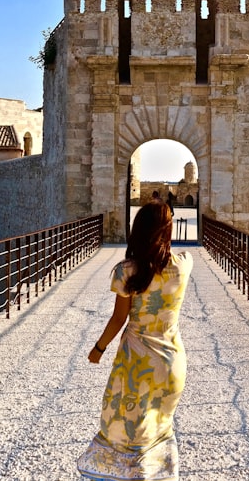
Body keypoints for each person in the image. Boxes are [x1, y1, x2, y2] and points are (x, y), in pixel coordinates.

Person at [77, 200, 194, 481]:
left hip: (136, 364)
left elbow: (118, 319)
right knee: (159, 428)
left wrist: (98, 348)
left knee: (127, 429)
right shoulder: (184, 265)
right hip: (172, 364)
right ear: (168, 230)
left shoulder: (126, 271)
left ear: (138, 229)